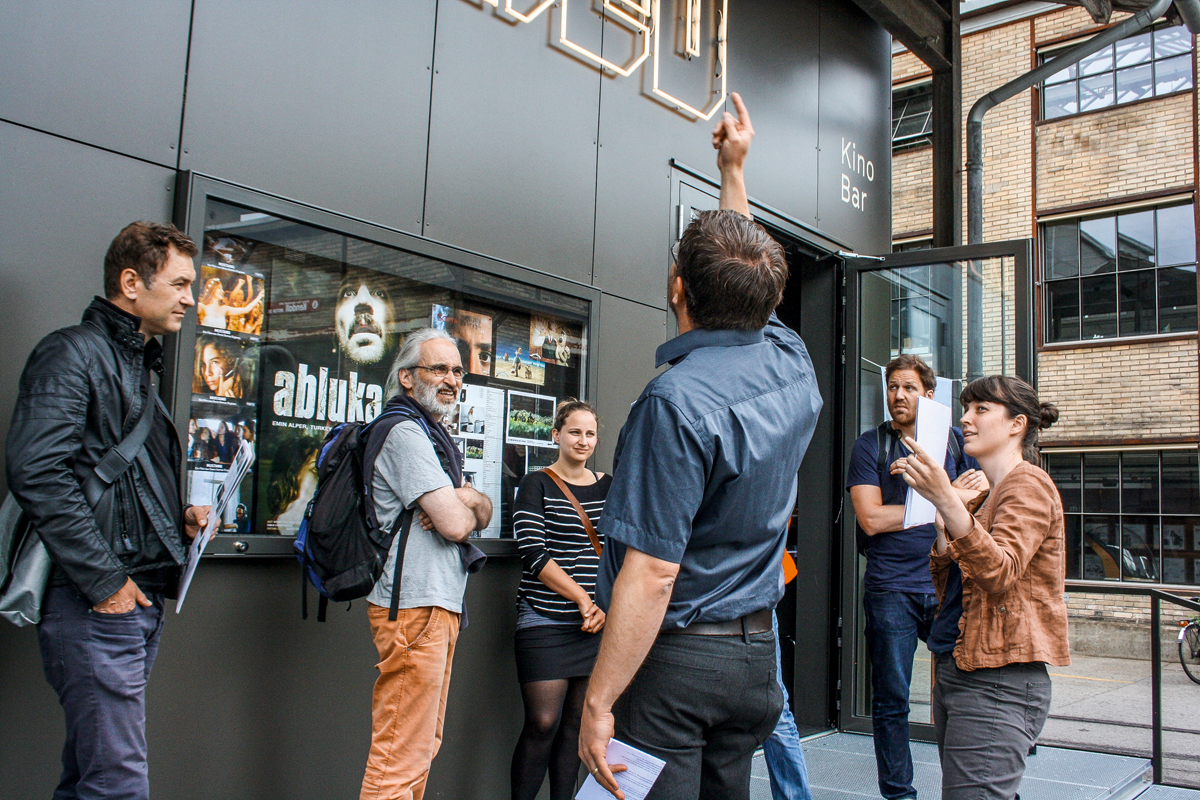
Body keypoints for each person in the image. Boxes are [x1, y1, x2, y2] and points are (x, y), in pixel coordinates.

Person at [578, 93, 823, 800]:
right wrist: (735, 171)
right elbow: (753, 289)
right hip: (756, 665)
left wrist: (598, 704)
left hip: (678, 668)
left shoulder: (673, 402)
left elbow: (653, 574)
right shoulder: (792, 363)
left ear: (676, 289)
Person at [6, 221, 211, 800]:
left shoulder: (133, 366)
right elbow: (37, 471)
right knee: (117, 785)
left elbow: (117, 486)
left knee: (90, 779)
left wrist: (181, 520)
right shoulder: (72, 353)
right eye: (178, 283)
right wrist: (105, 584)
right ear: (130, 282)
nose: (190, 299)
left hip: (128, 605)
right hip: (97, 606)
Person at [900, 376, 1068, 800]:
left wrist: (949, 502)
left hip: (999, 681)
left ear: (1017, 424)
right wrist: (945, 517)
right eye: (966, 408)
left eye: (981, 409)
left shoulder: (1027, 483)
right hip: (959, 667)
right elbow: (952, 588)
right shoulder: (984, 494)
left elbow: (1000, 573)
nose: (965, 419)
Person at [845, 354, 985, 800]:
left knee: (961, 697)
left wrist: (941, 500)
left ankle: (961, 790)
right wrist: (943, 499)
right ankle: (899, 795)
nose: (898, 396)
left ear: (928, 394)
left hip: (948, 584)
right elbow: (869, 518)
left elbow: (981, 505)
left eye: (908, 387)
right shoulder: (871, 446)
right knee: (891, 701)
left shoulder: (958, 444)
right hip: (891, 587)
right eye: (892, 387)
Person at [360, 327, 492, 800]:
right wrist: (465, 506)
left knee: (420, 748)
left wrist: (470, 498)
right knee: (399, 757)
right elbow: (458, 525)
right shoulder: (403, 432)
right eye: (439, 368)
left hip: (434, 606)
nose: (452, 379)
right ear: (407, 378)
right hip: (414, 609)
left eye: (457, 370)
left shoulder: (432, 436)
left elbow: (480, 511)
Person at [510, 400, 611, 800]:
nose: (583, 440)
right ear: (556, 435)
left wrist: (600, 605)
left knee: (575, 727)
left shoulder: (609, 485)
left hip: (595, 624)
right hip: (545, 619)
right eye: (574, 432)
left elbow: (620, 552)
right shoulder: (536, 483)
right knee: (543, 722)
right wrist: (582, 599)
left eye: (590, 433)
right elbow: (532, 553)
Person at [196, 274, 263, 330]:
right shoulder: (202, 307)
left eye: (222, 289)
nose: (222, 291)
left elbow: (246, 310)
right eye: (219, 288)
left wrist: (259, 296)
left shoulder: (225, 309)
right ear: (212, 290)